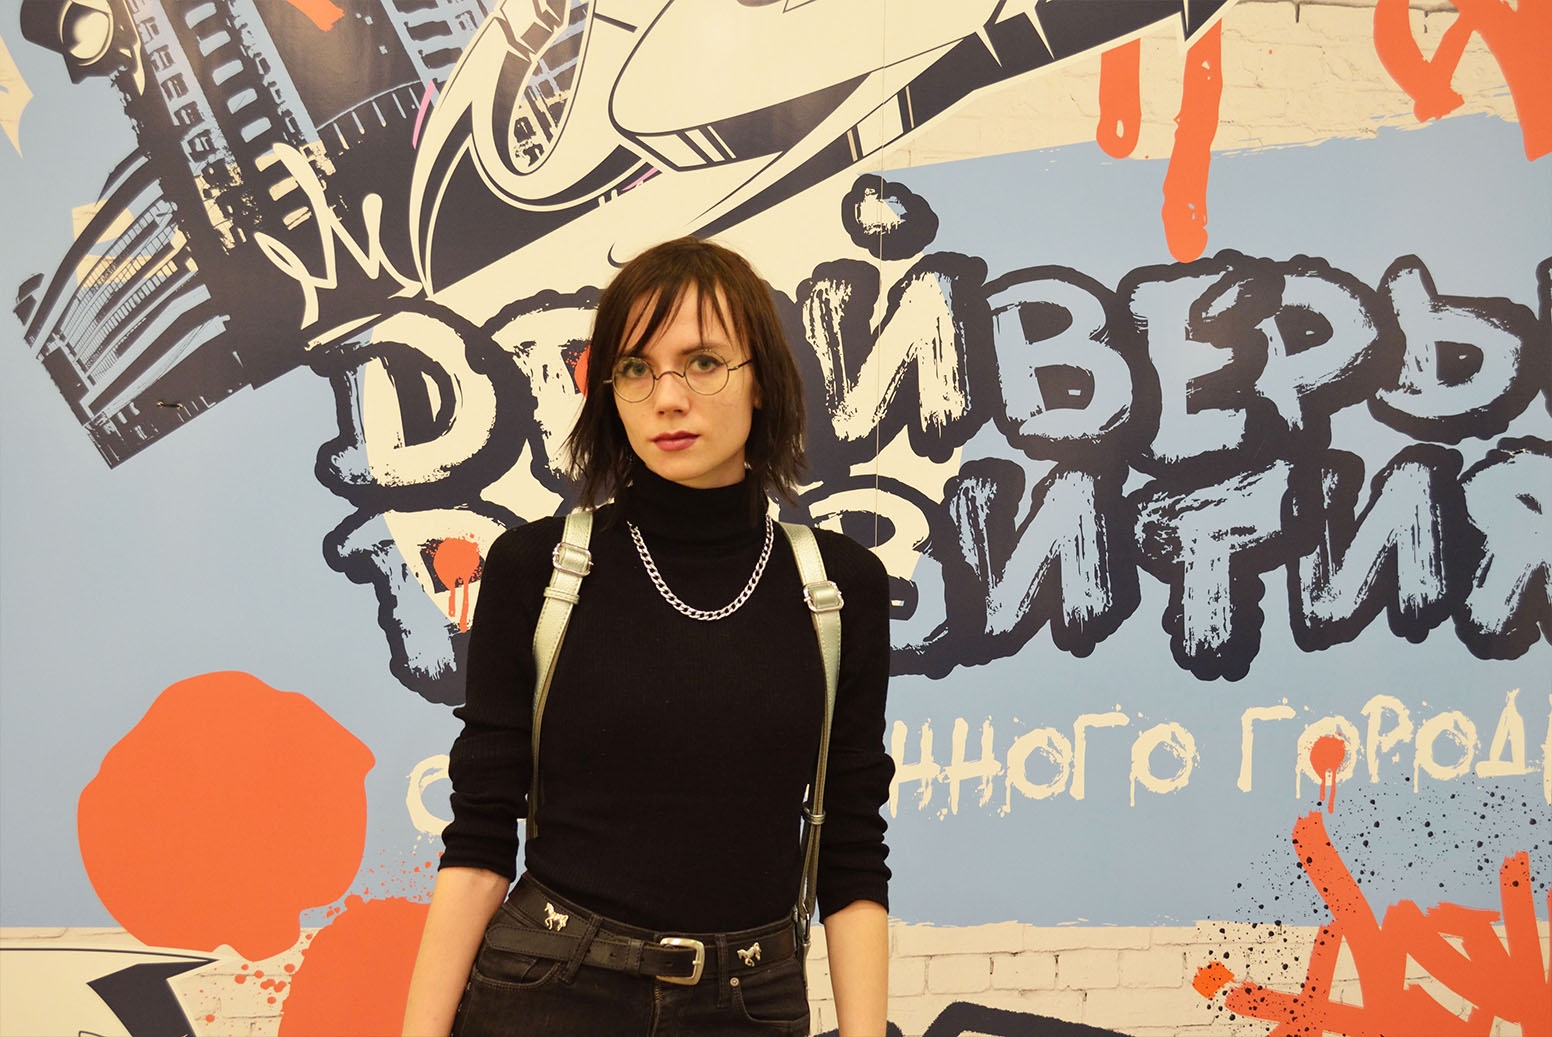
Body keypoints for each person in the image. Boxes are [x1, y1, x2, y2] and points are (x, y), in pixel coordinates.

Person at [403, 237, 894, 1036]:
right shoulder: (535, 569)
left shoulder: (839, 589)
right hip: (550, 989)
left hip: (752, 1003)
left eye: (703, 362)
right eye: (636, 368)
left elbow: (853, 846)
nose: (667, 397)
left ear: (762, 380)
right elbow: (481, 839)